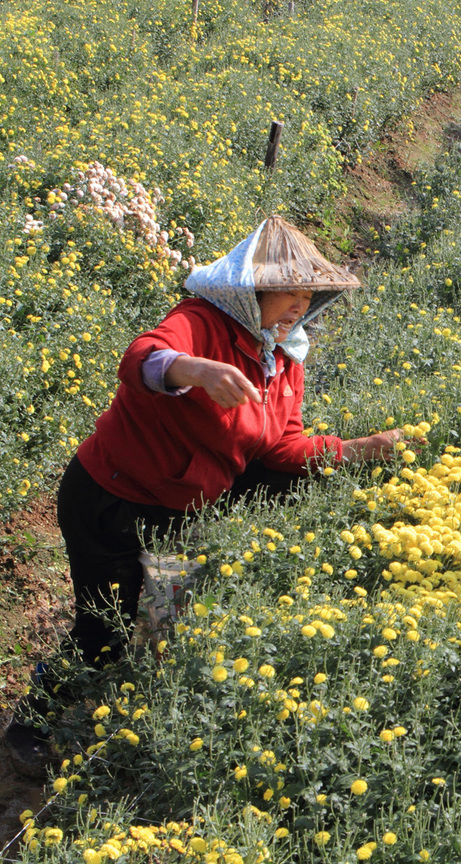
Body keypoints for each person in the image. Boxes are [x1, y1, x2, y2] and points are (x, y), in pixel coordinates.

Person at [3, 216, 402, 768]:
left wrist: (360, 448)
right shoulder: (201, 322)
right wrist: (195, 370)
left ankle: (145, 706)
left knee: (170, 614)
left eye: (308, 298)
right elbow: (141, 358)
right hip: (110, 499)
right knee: (102, 625)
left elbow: (283, 448)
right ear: (252, 290)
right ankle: (31, 727)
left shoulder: (284, 361)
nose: (299, 309)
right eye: (291, 294)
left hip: (181, 508)